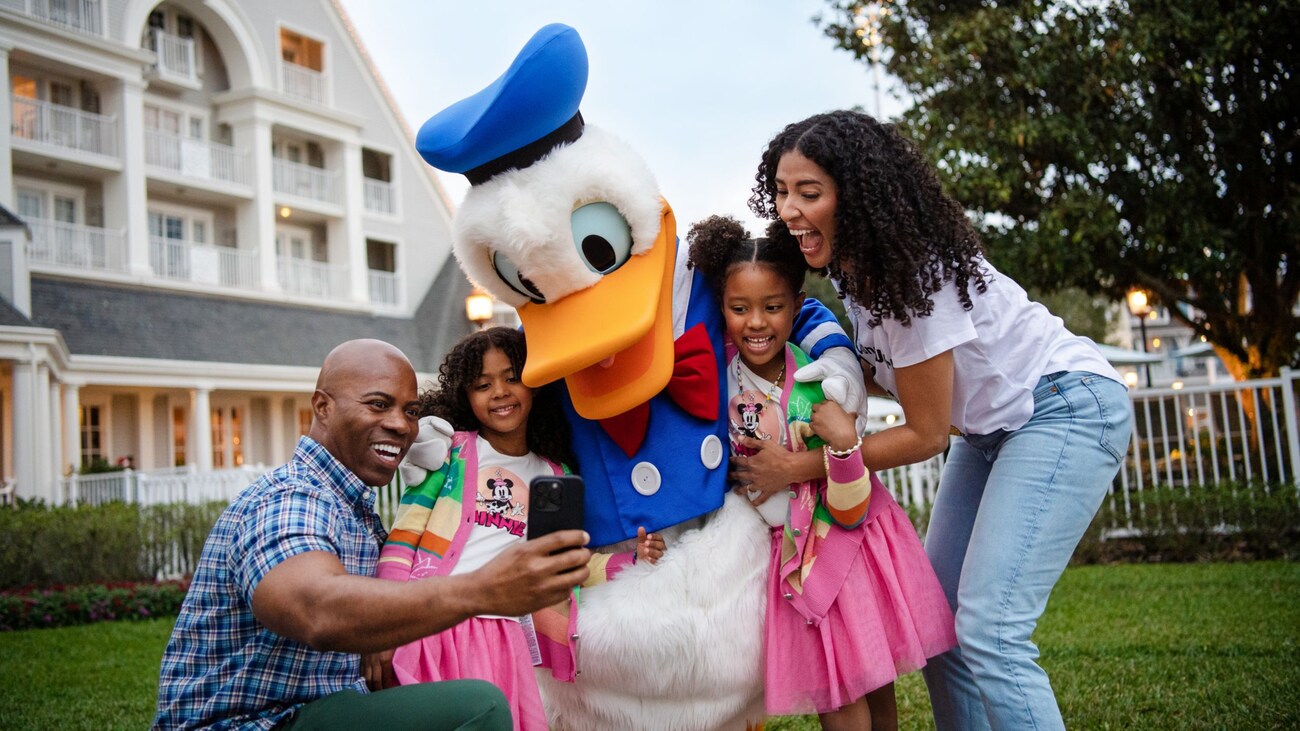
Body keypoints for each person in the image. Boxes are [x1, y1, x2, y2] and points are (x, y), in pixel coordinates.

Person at [745, 110, 1134, 731]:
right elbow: (890, 374)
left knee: (991, 629)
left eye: (809, 193)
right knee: (943, 626)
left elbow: (925, 433)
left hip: (1064, 406)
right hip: (988, 432)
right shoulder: (857, 274)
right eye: (783, 191)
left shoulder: (915, 276)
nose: (789, 209)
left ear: (858, 195)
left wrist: (799, 466)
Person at [153, 339, 593, 731]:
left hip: (325, 708)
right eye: (378, 404)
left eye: (411, 411)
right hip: (257, 721)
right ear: (322, 407)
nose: (401, 425)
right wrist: (481, 590)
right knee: (480, 706)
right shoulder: (290, 499)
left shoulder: (355, 510)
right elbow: (316, 610)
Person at [687, 215, 956, 730]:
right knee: (836, 687)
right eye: (739, 309)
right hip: (783, 553)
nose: (756, 322)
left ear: (796, 307)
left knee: (869, 679)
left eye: (772, 307)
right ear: (721, 308)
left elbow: (852, 495)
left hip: (846, 543)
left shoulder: (821, 384)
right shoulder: (718, 384)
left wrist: (840, 442)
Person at [375, 327, 665, 731]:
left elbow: (565, 566)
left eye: (512, 378)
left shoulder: (554, 475)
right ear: (465, 395)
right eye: (483, 384)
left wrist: (630, 560)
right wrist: (385, 622)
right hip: (434, 621)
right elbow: (403, 538)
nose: (500, 392)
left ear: (535, 383)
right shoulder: (450, 451)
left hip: (507, 637)